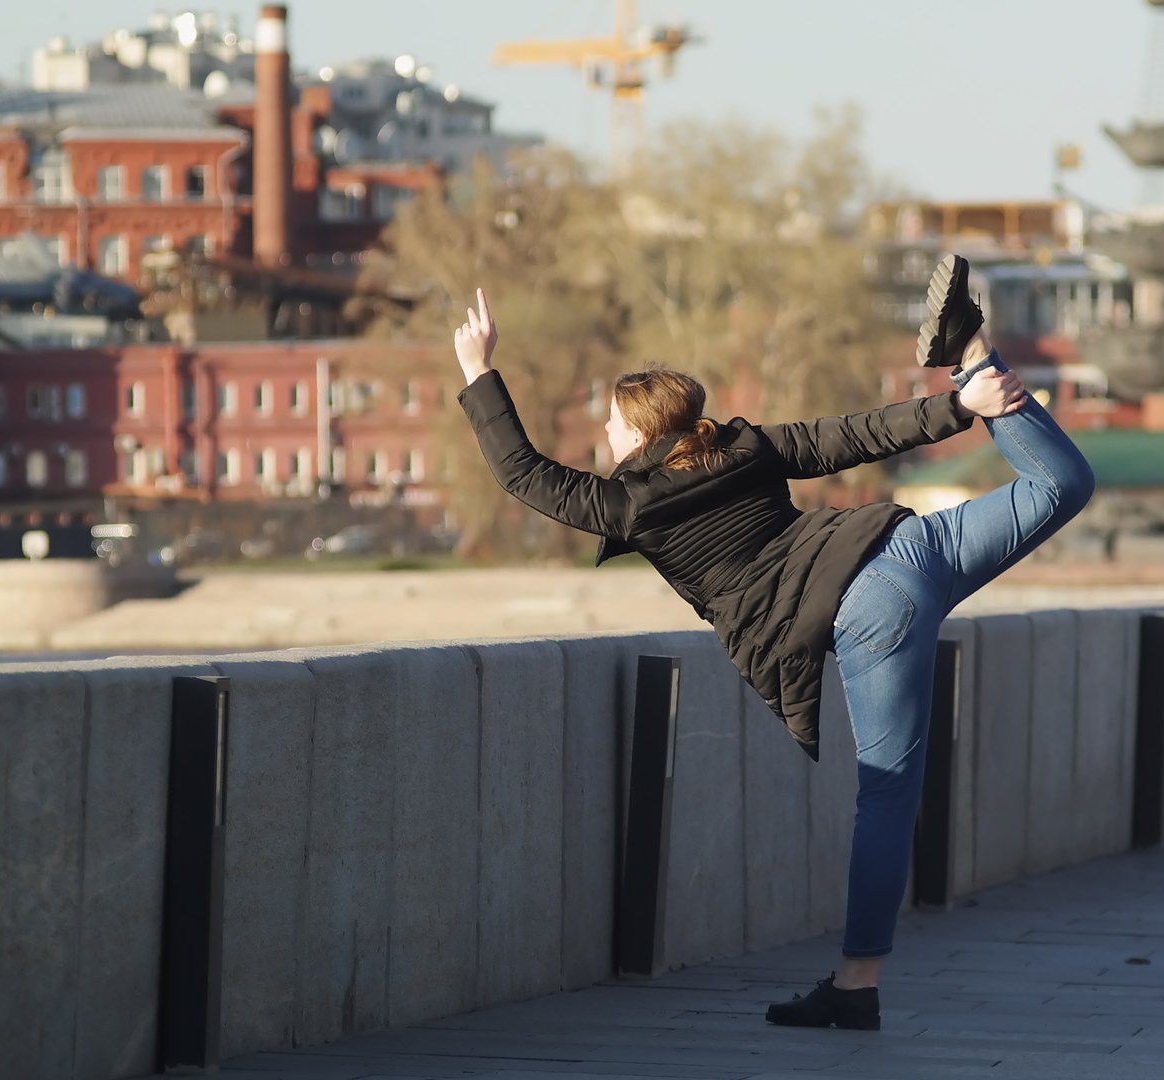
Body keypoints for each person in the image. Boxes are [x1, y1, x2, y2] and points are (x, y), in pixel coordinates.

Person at [452, 256, 1095, 1031]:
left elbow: (522, 474)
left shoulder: (628, 504)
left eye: (613, 423)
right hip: (909, 552)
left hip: (864, 611)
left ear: (639, 434)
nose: (605, 433)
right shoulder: (742, 447)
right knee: (1061, 485)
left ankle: (856, 985)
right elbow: (849, 436)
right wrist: (963, 405)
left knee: (887, 795)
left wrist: (477, 368)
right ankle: (974, 356)